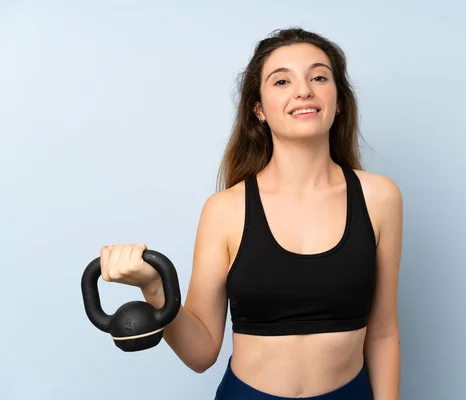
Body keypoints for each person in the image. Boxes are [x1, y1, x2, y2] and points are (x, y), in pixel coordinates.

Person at [100, 27, 404, 399]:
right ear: (258, 109)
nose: (303, 90)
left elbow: (384, 332)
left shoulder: (380, 198)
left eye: (319, 77)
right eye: (281, 81)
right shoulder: (225, 210)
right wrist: (154, 287)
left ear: (338, 100)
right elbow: (201, 353)